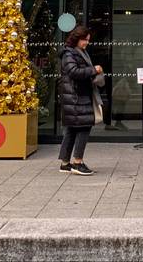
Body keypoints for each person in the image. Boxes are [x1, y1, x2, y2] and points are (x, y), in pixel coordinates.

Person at [58, 25, 103, 175]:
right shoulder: (69, 54)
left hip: (75, 96)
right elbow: (73, 72)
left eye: (88, 40)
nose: (86, 43)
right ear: (77, 39)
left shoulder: (76, 52)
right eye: (84, 40)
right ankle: (78, 162)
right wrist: (93, 70)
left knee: (71, 129)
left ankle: (65, 163)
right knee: (84, 127)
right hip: (76, 97)